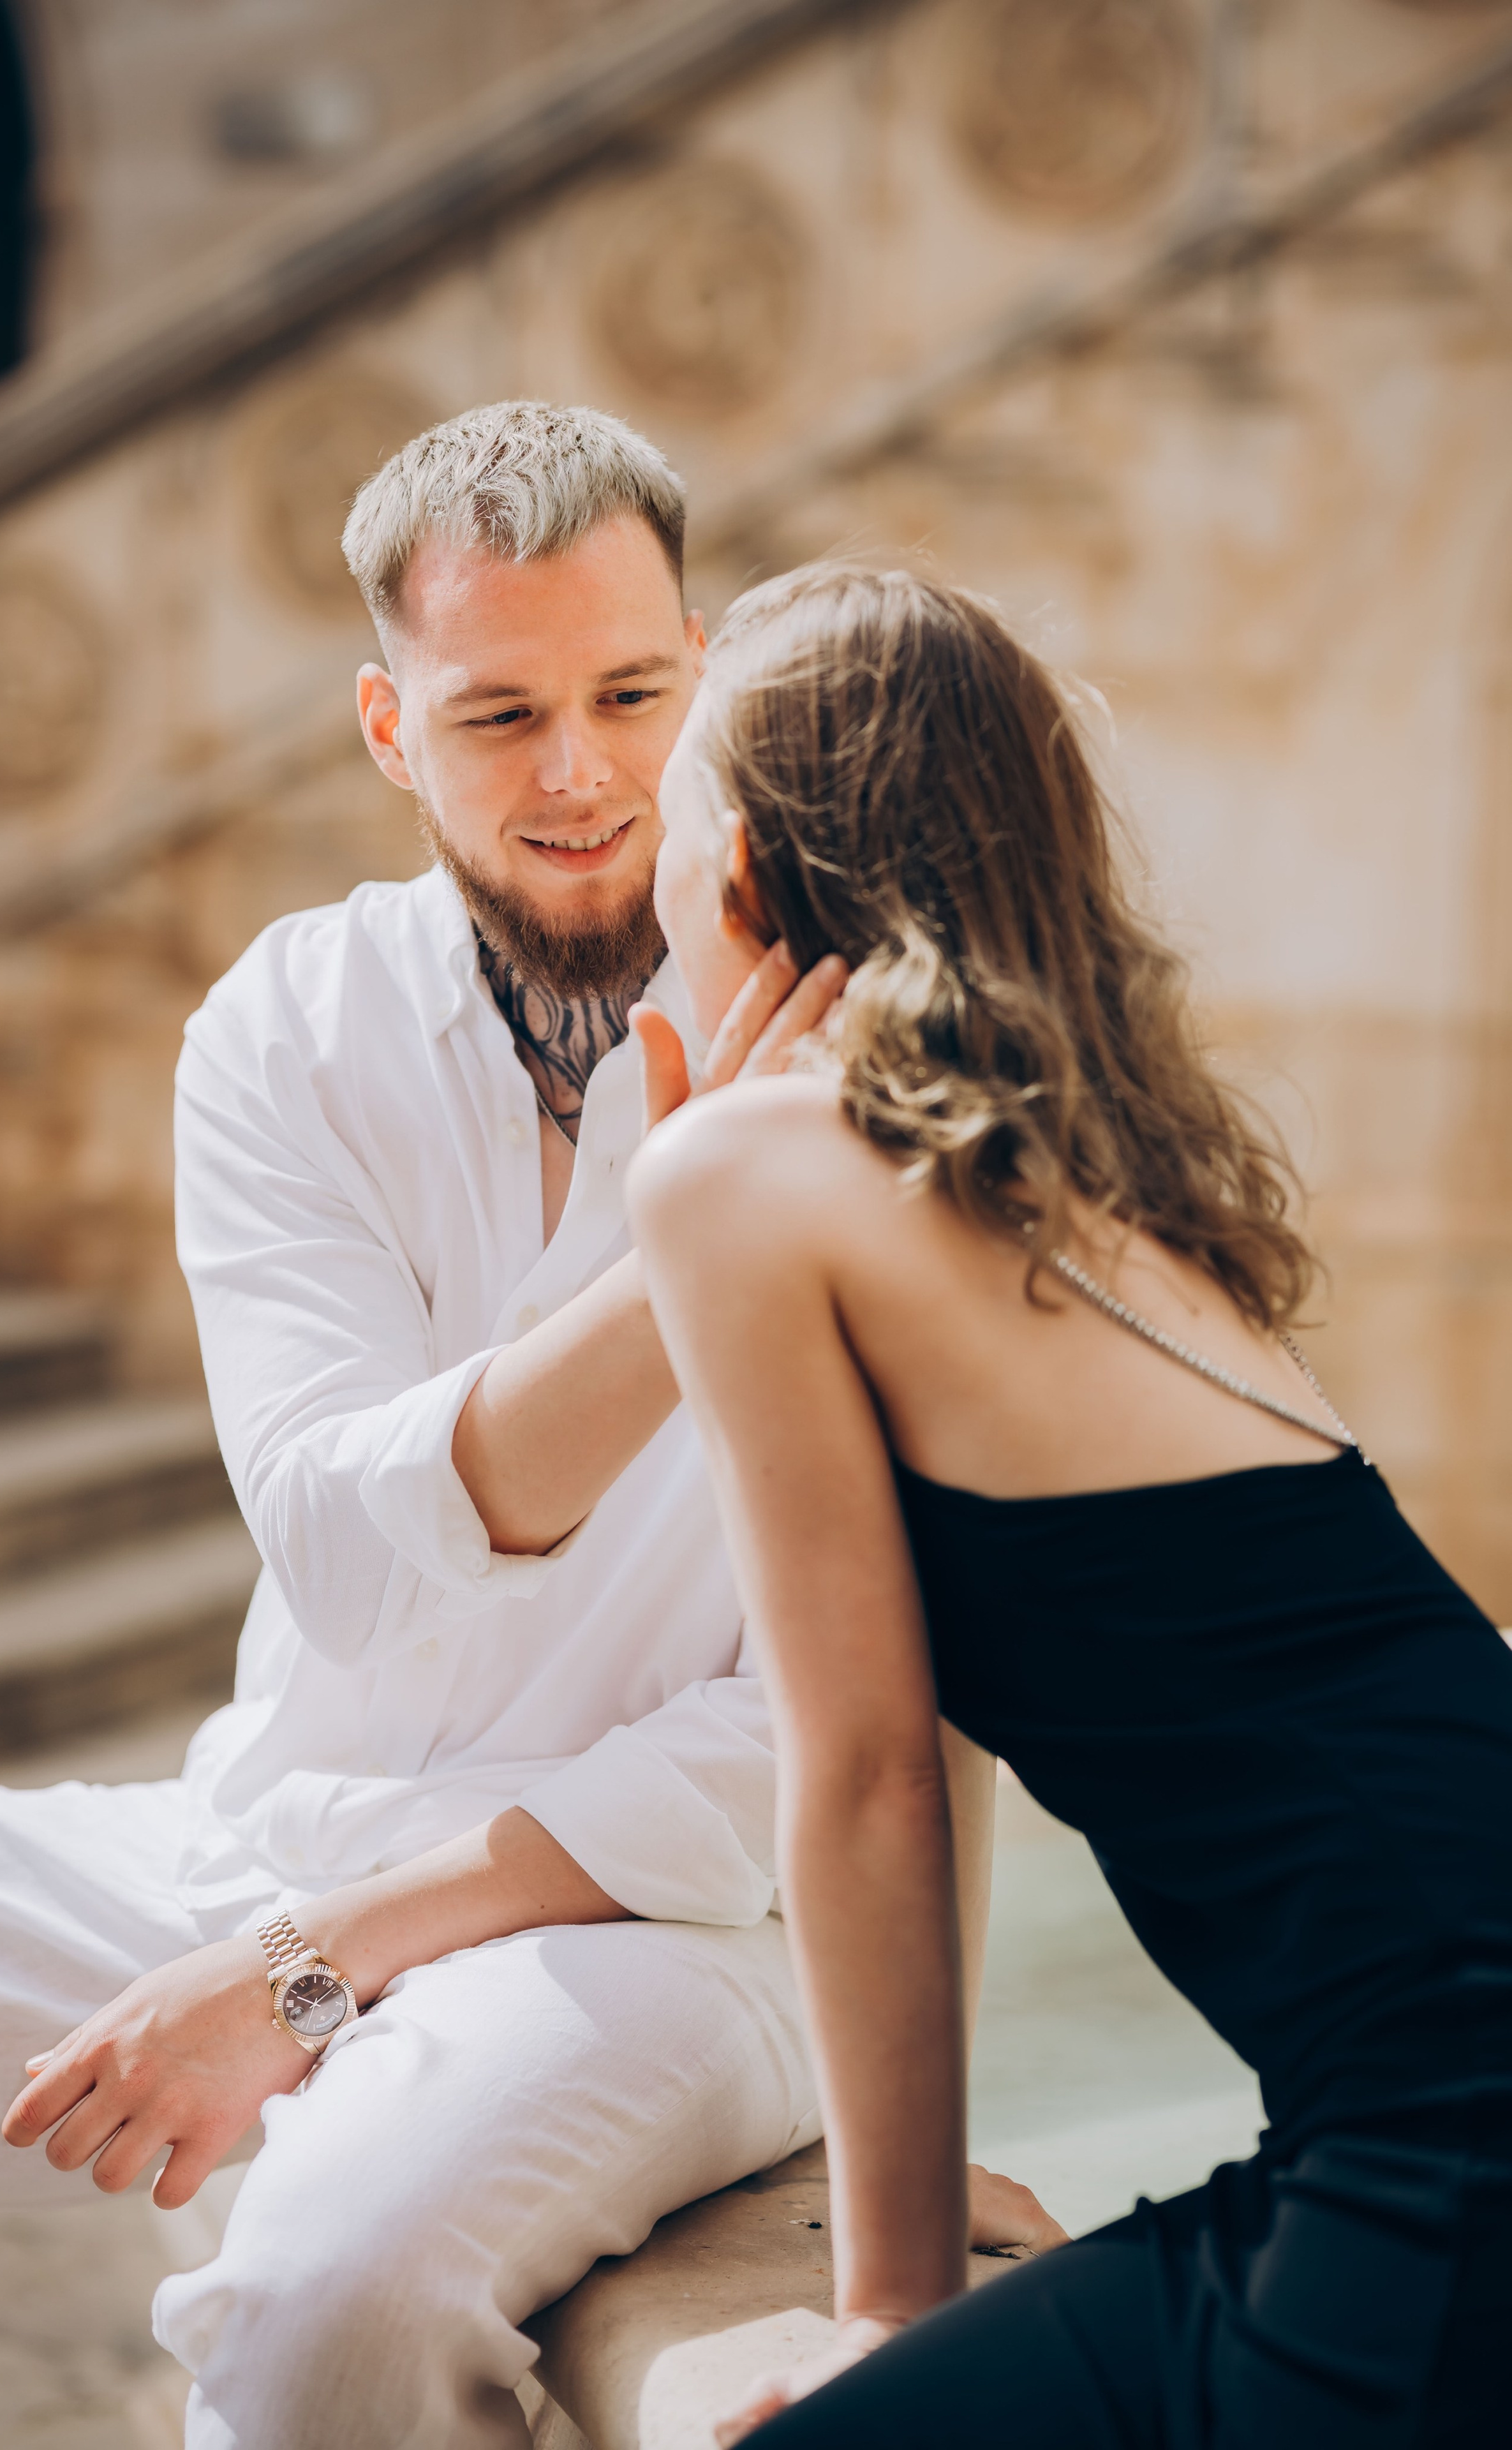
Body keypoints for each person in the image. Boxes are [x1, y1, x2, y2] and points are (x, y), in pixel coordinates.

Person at [0, 409, 1051, 2450]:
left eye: (630, 693)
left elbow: (822, 1733)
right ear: (387, 725)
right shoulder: (284, 1026)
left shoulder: (879, 1057)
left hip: (669, 1926)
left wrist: (311, 1972)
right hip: (272, 1830)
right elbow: (337, 1546)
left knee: (325, 2306)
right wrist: (695, 1244)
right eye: (498, 711)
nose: (581, 772)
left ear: (708, 674)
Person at [626, 562, 1512, 2447]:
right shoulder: (1117, 1209)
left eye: (670, 814)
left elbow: (858, 1768)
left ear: (748, 877)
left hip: (1450, 2138)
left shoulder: (739, 1176)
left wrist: (885, 2312)